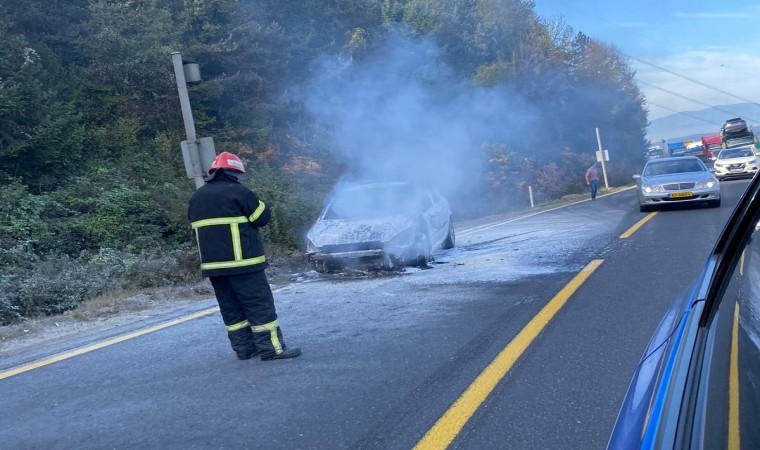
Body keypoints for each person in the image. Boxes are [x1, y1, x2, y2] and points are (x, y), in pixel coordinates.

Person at [188, 152, 302, 361]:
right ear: (235, 172)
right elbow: (262, 217)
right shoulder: (240, 193)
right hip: (245, 265)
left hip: (214, 268)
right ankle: (272, 349)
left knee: (231, 309)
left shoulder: (196, 197)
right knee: (259, 305)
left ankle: (244, 349)